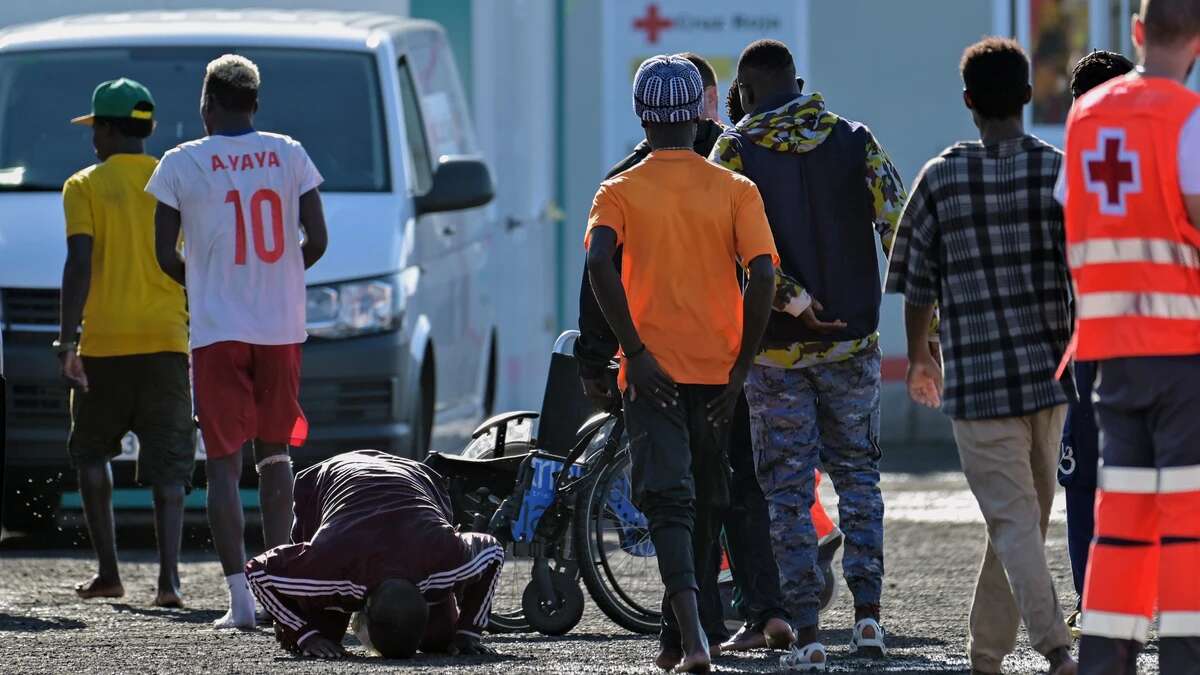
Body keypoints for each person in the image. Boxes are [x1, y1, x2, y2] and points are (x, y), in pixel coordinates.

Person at [575, 52, 831, 659]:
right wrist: (742, 368)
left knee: (669, 498)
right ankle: (689, 633)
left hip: (652, 373)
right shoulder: (734, 188)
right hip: (720, 374)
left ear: (642, 116)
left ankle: (689, 636)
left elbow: (595, 265)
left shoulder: (618, 190)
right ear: (700, 114)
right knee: (711, 496)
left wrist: (629, 352)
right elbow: (765, 275)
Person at [710, 39, 905, 670]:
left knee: (787, 495)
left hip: (774, 355)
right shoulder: (857, 141)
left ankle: (808, 632)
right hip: (854, 342)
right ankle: (870, 618)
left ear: (743, 92)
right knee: (859, 480)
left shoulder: (733, 152)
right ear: (798, 82)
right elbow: (898, 227)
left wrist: (793, 301)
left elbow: (729, 251)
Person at [886, 37, 1077, 675]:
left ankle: (986, 654)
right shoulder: (1057, 172)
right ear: (1028, 96)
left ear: (968, 102)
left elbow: (916, 283)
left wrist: (919, 356)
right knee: (1023, 521)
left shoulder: (940, 177)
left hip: (976, 385)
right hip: (1049, 379)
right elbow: (1083, 271)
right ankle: (1056, 647)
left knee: (1015, 523)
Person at [147, 54, 328, 629]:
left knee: (222, 467)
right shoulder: (290, 153)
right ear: (256, 104)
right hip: (279, 328)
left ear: (206, 104)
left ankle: (240, 603)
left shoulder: (181, 163)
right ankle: (283, 594)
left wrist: (208, 285)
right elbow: (317, 240)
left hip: (218, 330)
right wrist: (275, 278)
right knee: (276, 459)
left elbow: (162, 254)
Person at [1059, 1, 1200, 671]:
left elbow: (1072, 216)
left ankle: (1105, 655)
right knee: (1186, 518)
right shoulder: (1188, 120)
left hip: (1108, 351)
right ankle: (1184, 656)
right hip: (1181, 353)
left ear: (1138, 32)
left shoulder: (1086, 117)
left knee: (1122, 514)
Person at [57, 78, 194, 607]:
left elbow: (78, 263)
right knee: (169, 466)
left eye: (97, 129)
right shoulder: (173, 180)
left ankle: (110, 573)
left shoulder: (84, 185)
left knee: (91, 453)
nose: (94, 139)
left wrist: (67, 342)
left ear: (110, 129)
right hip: (166, 341)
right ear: (150, 128)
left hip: (104, 347)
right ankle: (170, 583)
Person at [246, 450, 502, 659]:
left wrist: (468, 633)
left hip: (415, 477)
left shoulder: (444, 557)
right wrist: (302, 632)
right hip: (329, 478)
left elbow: (493, 551)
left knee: (441, 639)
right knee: (316, 635)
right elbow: (256, 571)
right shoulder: (331, 564)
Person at [1054, 50, 1135, 639]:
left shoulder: (1068, 172)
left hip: (1090, 348)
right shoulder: (1177, 156)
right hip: (1164, 343)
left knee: (1083, 480)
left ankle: (1095, 597)